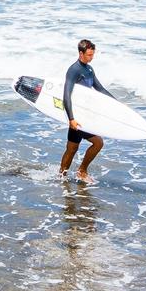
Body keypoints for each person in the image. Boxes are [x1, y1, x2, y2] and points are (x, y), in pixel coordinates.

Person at [59, 38, 116, 183]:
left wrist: (116, 103)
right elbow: (66, 95)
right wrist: (71, 118)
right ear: (80, 53)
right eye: (89, 55)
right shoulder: (74, 70)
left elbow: (99, 88)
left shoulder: (89, 69)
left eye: (93, 54)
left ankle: (61, 176)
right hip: (77, 116)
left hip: (84, 115)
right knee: (98, 143)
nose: (92, 57)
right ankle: (81, 171)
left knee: (72, 148)